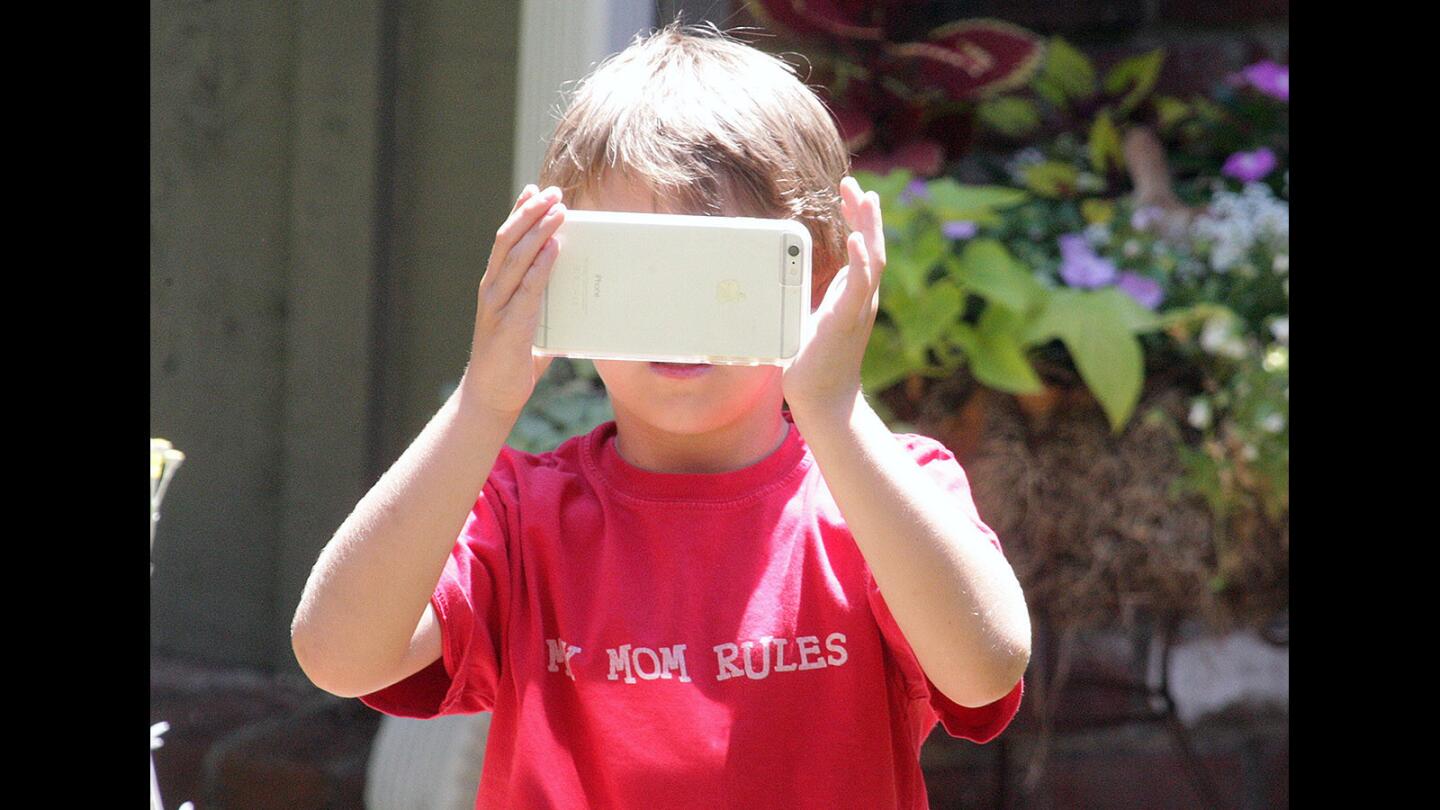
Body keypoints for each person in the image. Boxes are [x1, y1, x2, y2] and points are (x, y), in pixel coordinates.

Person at [291, 21, 1030, 809]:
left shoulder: (887, 494)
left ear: (816, 279)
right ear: (561, 274)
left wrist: (834, 407)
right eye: (639, 265)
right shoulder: (518, 514)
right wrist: (485, 400)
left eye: (719, 273)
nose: (677, 318)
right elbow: (338, 655)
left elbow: (986, 666)